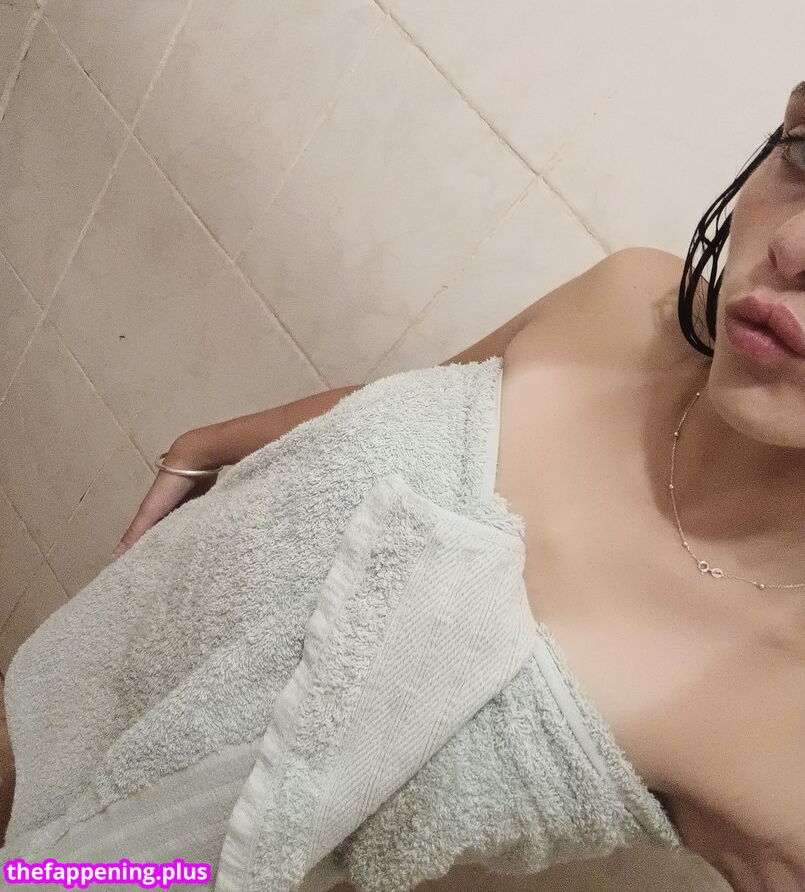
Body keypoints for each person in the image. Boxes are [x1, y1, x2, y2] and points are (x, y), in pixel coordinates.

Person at [10, 84, 803, 888]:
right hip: (63, 690)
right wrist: (214, 441)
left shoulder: (779, 747)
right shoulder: (627, 302)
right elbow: (421, 401)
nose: (793, 245)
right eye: (803, 153)